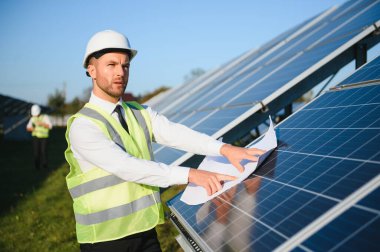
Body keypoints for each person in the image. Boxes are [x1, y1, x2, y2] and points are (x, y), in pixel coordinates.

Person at [64, 29, 265, 252]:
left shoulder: (139, 112)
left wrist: (224, 149)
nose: (120, 72)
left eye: (125, 65)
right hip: (105, 240)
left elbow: (176, 134)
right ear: (91, 70)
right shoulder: (83, 125)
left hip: (146, 230)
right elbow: (125, 166)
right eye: (111, 65)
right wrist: (190, 174)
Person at [26, 104, 52, 170]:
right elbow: (28, 128)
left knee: (43, 151)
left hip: (44, 137)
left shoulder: (45, 117)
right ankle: (37, 167)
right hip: (36, 137)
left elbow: (50, 126)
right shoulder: (32, 118)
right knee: (36, 152)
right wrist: (32, 129)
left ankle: (45, 166)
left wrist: (42, 124)